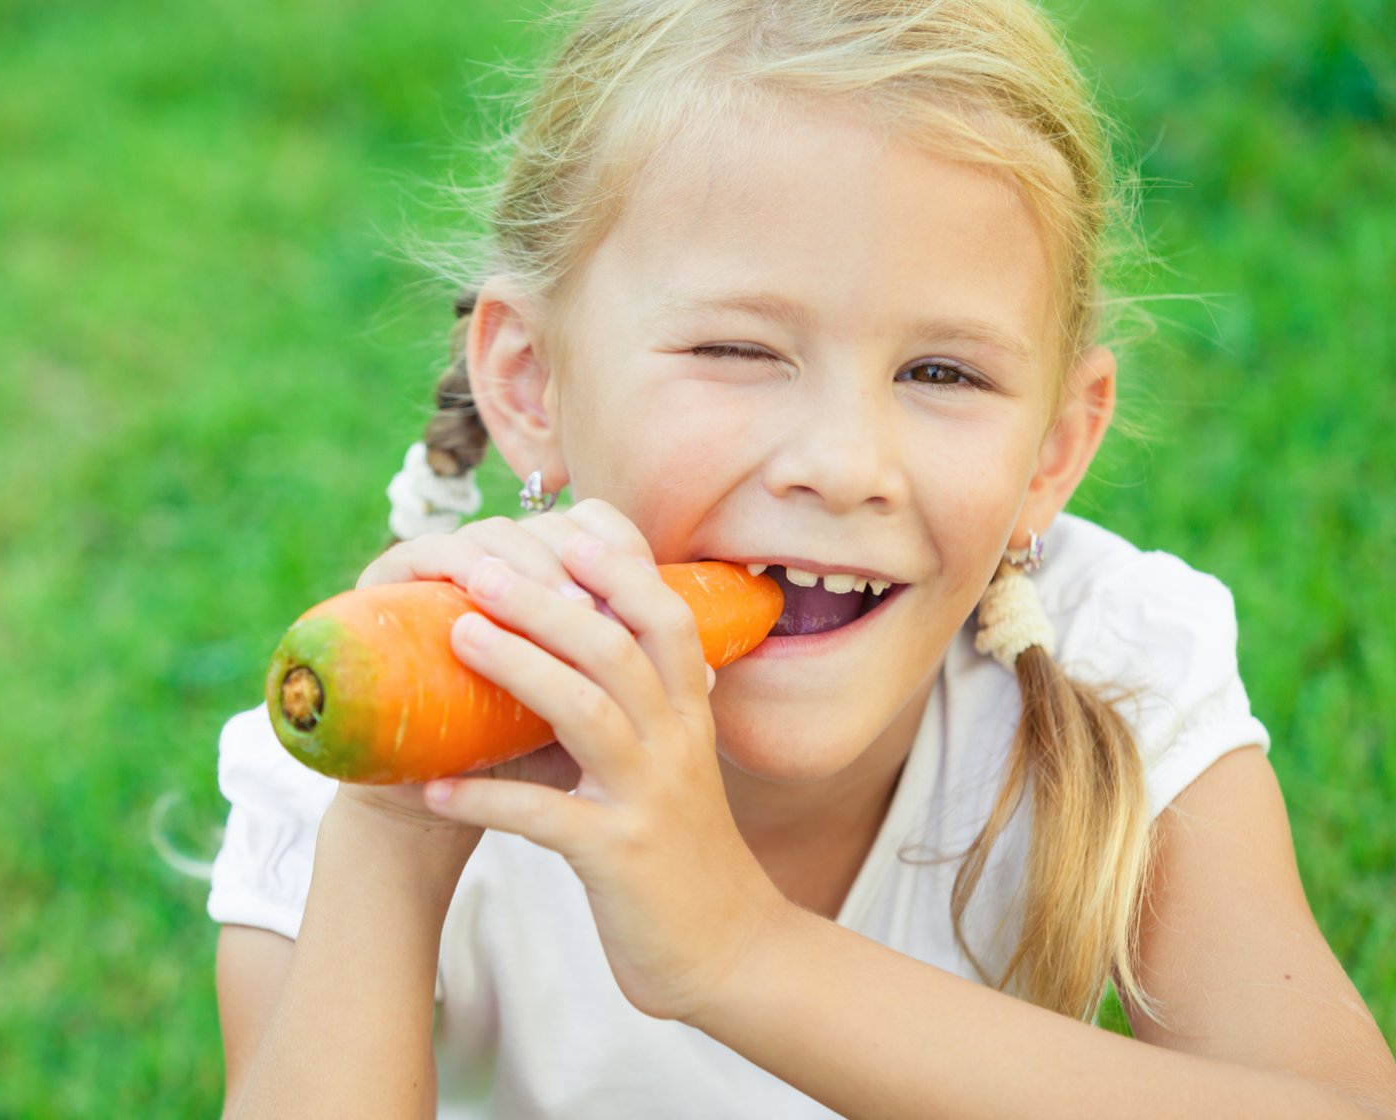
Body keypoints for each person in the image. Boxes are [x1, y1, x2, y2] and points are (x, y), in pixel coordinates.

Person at [208, 1, 1396, 1116]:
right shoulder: (376, 740)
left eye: (943, 373)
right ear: (532, 380)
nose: (841, 464)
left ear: (1055, 445)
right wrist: (391, 840)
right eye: (737, 348)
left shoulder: (1109, 672)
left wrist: (739, 951)